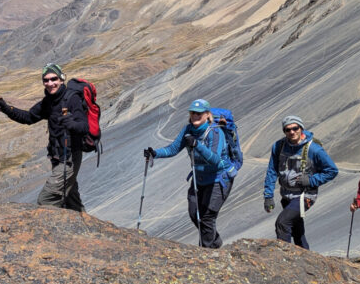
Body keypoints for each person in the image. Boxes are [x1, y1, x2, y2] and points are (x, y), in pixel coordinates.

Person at [142, 99, 239, 248]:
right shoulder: (188, 130)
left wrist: (197, 145)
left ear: (207, 115)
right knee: (195, 213)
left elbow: (214, 159)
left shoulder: (215, 132)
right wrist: (154, 153)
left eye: (199, 113)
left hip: (219, 179)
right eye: (193, 112)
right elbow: (173, 149)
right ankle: (215, 241)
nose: (195, 115)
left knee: (207, 216)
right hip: (199, 178)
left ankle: (206, 252)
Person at [0, 63, 89, 212]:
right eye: (46, 80)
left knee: (46, 200)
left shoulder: (72, 99)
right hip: (57, 157)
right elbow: (29, 117)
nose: (50, 84)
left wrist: (71, 124)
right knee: (71, 198)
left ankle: (53, 233)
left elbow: (84, 127)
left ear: (61, 79)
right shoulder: (48, 102)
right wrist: (6, 108)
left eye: (53, 79)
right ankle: (85, 229)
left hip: (69, 157)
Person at [262, 115, 338, 250]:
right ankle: (306, 258)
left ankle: (284, 258)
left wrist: (311, 180)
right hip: (286, 195)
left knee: (282, 223)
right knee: (297, 231)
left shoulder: (314, 149)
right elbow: (272, 171)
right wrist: (268, 196)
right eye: (287, 129)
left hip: (305, 195)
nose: (292, 132)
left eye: (295, 128)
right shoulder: (279, 146)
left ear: (301, 128)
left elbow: (332, 171)